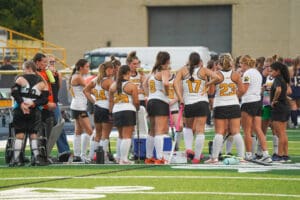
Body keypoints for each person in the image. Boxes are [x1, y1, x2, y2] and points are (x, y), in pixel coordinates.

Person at [174, 52, 220, 164]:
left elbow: (175, 83)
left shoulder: (182, 70)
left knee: (188, 127)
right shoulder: (203, 70)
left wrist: (181, 98)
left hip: (188, 103)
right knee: (200, 131)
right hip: (201, 103)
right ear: (199, 61)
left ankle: (189, 148)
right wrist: (208, 83)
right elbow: (217, 77)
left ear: (189, 61)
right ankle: (197, 158)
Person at [205, 53, 245, 163]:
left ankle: (214, 158)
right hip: (233, 105)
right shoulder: (236, 74)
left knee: (219, 132)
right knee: (236, 132)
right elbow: (242, 90)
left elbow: (211, 92)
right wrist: (234, 96)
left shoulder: (216, 74)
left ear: (220, 63)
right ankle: (242, 158)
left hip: (220, 105)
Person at [10, 61, 49, 166]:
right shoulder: (42, 82)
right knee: (33, 134)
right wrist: (33, 103)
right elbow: (45, 99)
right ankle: (36, 158)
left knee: (19, 134)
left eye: (24, 68)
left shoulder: (20, 78)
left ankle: (16, 159)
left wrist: (22, 103)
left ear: (27, 67)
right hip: (34, 110)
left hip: (19, 109)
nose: (23, 70)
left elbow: (14, 91)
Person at [240, 55, 272, 163]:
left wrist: (235, 93)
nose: (240, 66)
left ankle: (249, 154)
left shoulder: (247, 74)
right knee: (258, 129)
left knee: (247, 131)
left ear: (245, 64)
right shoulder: (257, 73)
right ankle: (266, 154)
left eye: (241, 63)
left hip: (248, 102)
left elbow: (244, 89)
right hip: (258, 102)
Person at [143, 51, 171, 164]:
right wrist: (167, 93)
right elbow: (166, 84)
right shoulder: (164, 71)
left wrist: (148, 95)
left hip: (151, 101)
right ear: (167, 60)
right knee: (159, 131)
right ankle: (159, 158)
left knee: (152, 131)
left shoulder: (153, 72)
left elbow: (144, 84)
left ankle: (149, 157)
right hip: (160, 102)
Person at [84, 61, 114, 162]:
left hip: (97, 108)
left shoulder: (95, 80)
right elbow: (113, 97)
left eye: (112, 68)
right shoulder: (109, 81)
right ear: (105, 70)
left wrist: (94, 101)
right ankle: (102, 157)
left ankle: (91, 156)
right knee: (105, 134)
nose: (112, 71)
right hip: (105, 108)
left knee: (98, 134)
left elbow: (86, 91)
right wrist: (111, 111)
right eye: (109, 69)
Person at [109, 65, 139, 164]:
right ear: (128, 73)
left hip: (116, 111)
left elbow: (111, 102)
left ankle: (119, 157)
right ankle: (124, 159)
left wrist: (110, 113)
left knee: (121, 136)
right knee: (127, 136)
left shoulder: (113, 86)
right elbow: (136, 101)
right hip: (127, 110)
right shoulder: (131, 85)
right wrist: (137, 108)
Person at [33, 53, 57, 163]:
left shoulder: (46, 72)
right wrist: (46, 104)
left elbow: (53, 86)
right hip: (41, 107)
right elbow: (34, 94)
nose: (46, 65)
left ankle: (45, 154)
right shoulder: (34, 74)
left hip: (49, 106)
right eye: (44, 62)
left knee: (49, 132)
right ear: (37, 62)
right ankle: (39, 156)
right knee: (39, 133)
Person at [47, 55, 71, 161]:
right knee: (44, 128)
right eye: (50, 62)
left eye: (53, 62)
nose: (52, 64)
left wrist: (54, 75)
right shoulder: (42, 73)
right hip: (44, 103)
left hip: (54, 103)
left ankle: (64, 151)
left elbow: (57, 88)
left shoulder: (58, 74)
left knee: (59, 126)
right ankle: (43, 152)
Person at [69, 59, 93, 163]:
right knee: (89, 131)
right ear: (81, 67)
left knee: (78, 131)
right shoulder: (78, 77)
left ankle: (77, 156)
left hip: (76, 105)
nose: (88, 69)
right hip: (79, 107)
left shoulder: (77, 76)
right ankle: (83, 155)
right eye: (87, 67)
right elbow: (89, 89)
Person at [270, 62, 291, 162]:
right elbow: (284, 92)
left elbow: (278, 90)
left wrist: (274, 100)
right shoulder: (283, 79)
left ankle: (279, 155)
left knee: (280, 133)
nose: (270, 72)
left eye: (272, 70)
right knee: (283, 132)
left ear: (277, 71)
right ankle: (285, 155)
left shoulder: (278, 79)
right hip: (285, 107)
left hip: (279, 107)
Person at [168, 72, 183, 150]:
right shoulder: (158, 77)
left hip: (173, 106)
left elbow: (180, 93)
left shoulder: (175, 79)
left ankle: (176, 145)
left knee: (179, 126)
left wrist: (173, 101)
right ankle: (167, 145)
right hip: (162, 106)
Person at [289, 56, 300, 128]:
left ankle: (294, 123)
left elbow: (289, 81)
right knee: (298, 106)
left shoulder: (290, 69)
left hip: (293, 89)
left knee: (293, 106)